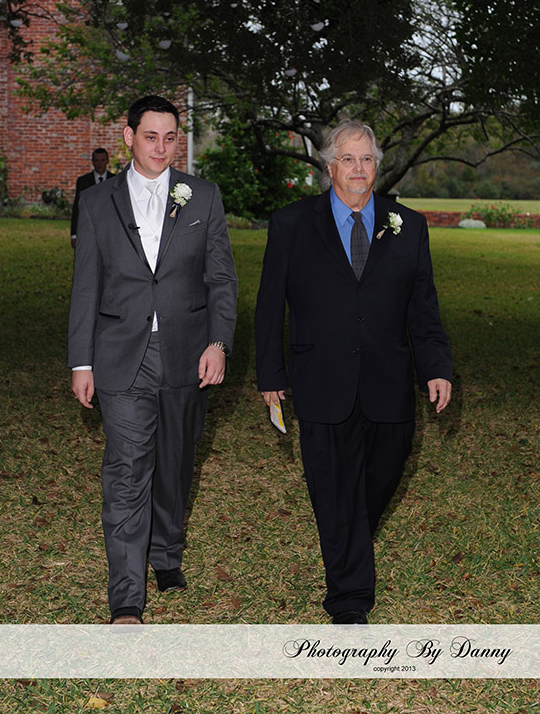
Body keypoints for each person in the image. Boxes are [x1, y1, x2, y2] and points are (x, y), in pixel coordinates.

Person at [254, 119, 452, 624]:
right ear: (329, 166)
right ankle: (349, 600)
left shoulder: (410, 226)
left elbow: (423, 306)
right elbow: (269, 305)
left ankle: (348, 536)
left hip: (389, 380)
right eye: (348, 159)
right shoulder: (292, 224)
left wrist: (436, 367)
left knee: (381, 476)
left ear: (377, 166)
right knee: (332, 485)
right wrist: (270, 375)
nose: (359, 169)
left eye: (367, 159)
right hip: (320, 377)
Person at [68, 95, 237, 624]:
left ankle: (166, 550)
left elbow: (221, 279)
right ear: (128, 136)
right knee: (127, 470)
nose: (161, 148)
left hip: (187, 353)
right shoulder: (97, 202)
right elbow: (86, 286)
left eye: (170, 138)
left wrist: (219, 343)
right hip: (121, 355)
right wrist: (80, 362)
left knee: (176, 463)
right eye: (150, 136)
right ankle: (126, 598)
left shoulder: (202, 196)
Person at [70, 148, 114, 248]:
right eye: (96, 160)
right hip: (89, 229)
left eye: (102, 160)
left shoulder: (115, 180)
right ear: (92, 162)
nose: (100, 164)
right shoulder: (83, 181)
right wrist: (74, 234)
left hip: (110, 229)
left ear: (107, 161)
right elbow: (77, 208)